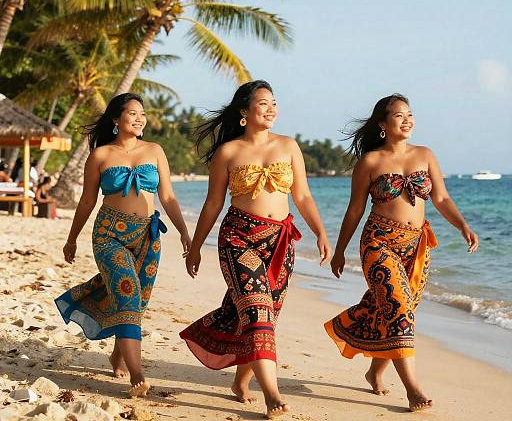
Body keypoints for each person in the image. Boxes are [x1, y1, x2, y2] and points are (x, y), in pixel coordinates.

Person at [179, 80, 331, 419]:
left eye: (274, 102)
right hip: (238, 239)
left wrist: (321, 232)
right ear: (244, 113)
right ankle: (272, 394)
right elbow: (213, 204)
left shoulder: (289, 146)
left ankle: (241, 381)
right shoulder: (228, 153)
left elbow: (303, 196)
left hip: (280, 243)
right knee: (258, 309)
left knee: (265, 316)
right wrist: (196, 246)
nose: (272, 108)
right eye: (263, 103)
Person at [325, 94, 479, 412]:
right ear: (383, 124)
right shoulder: (370, 162)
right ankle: (413, 390)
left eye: (410, 114)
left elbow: (441, 199)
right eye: (399, 115)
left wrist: (463, 225)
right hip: (378, 243)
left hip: (416, 247)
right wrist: (339, 250)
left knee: (396, 312)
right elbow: (354, 210)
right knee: (398, 309)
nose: (407, 119)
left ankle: (374, 370)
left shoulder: (425, 155)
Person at [55, 93, 191, 398]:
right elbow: (88, 199)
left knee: (138, 302)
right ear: (116, 119)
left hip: (148, 236)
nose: (139, 118)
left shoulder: (155, 151)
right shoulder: (101, 155)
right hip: (108, 235)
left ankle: (118, 354)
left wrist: (184, 232)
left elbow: (167, 196)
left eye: (142, 114)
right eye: (132, 113)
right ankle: (138, 374)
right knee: (127, 295)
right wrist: (72, 237)